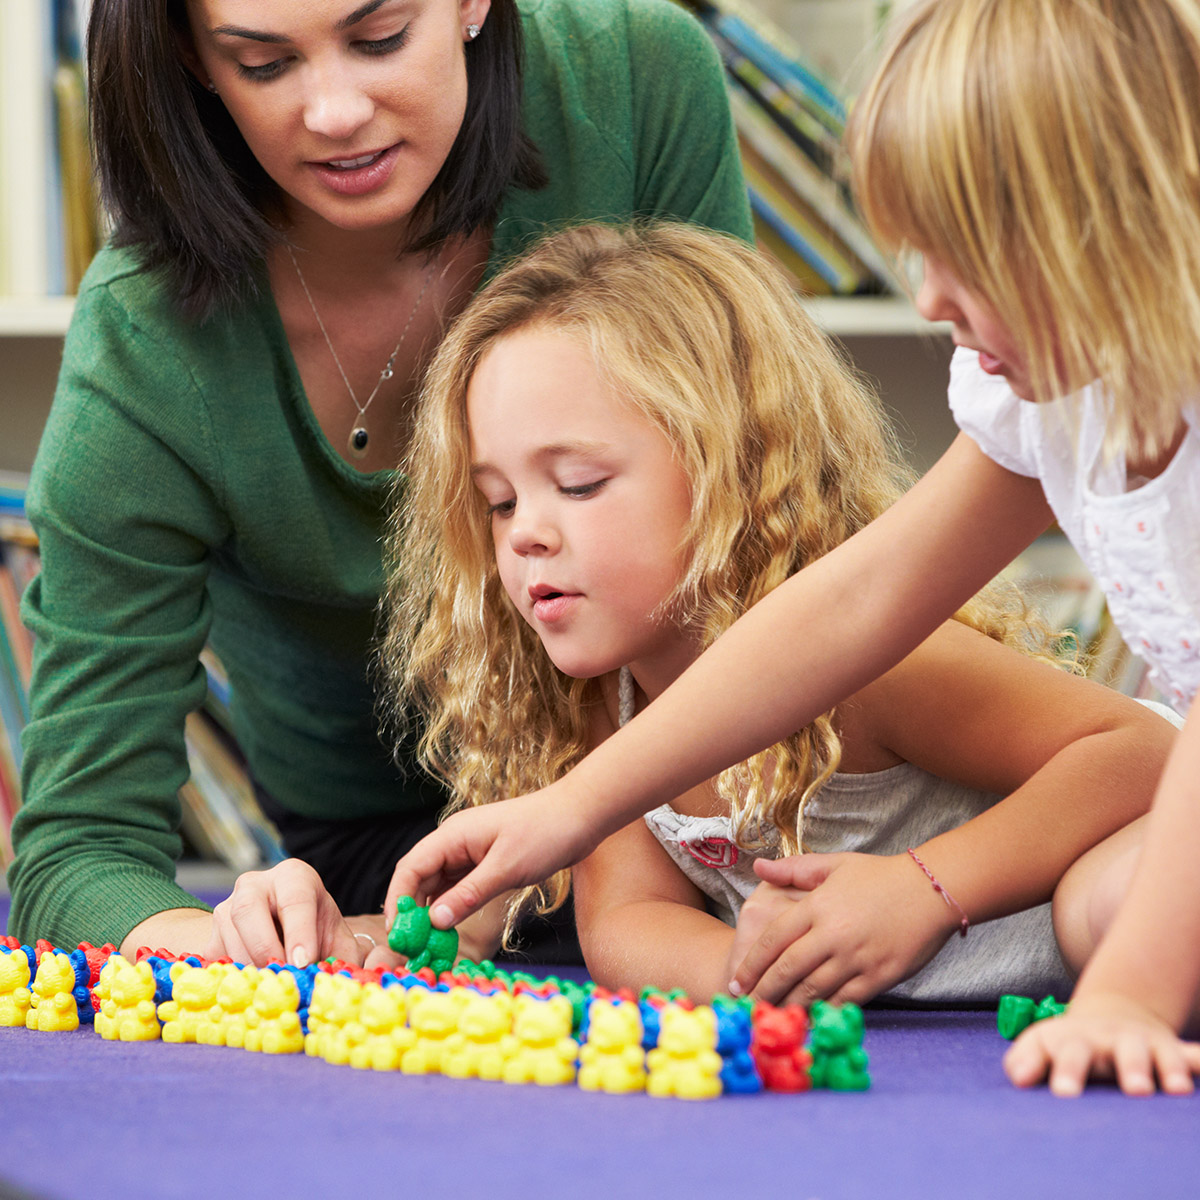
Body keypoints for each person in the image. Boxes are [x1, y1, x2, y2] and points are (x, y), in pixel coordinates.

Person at [386, 0, 1200, 1094]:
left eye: (966, 254)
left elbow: (1150, 752)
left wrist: (954, 900)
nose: (925, 297)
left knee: (1115, 921)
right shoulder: (1056, 408)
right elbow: (856, 604)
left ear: (1108, 225)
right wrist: (567, 809)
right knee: (1110, 910)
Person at [6, 0, 752, 970]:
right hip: (391, 867)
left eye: (380, 37)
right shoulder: (145, 345)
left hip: (704, 804)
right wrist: (227, 944)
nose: (334, 112)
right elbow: (77, 849)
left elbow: (763, 511)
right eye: (263, 64)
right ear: (193, 60)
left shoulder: (635, 80)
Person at [379, 220, 1178, 1007]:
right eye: (498, 502)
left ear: (735, 471)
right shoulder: (608, 705)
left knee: (1096, 913)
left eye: (581, 483)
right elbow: (628, 919)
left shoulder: (875, 672)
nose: (525, 535)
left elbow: (1142, 754)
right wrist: (763, 969)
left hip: (1149, 847)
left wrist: (926, 888)